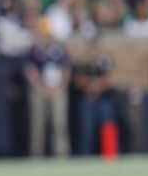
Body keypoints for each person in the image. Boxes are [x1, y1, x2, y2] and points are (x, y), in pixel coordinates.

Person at [25, 18, 70, 157]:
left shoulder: (59, 50)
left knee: (59, 124)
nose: (46, 37)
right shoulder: (35, 50)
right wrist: (41, 88)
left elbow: (65, 71)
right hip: (39, 90)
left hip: (57, 90)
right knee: (37, 126)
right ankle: (36, 155)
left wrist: (59, 87)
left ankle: (62, 155)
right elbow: (30, 71)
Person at [72, 42, 117, 155]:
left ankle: (110, 155)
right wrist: (89, 85)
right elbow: (78, 82)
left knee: (108, 127)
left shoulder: (105, 60)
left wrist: (97, 86)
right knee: (87, 130)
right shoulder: (84, 63)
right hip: (88, 98)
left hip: (103, 98)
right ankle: (85, 156)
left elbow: (109, 82)